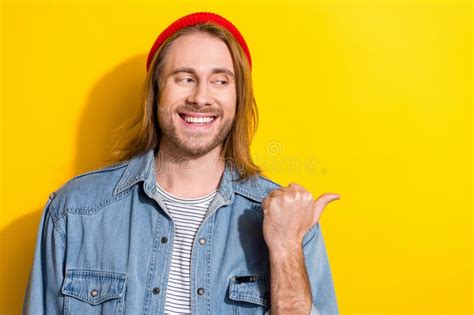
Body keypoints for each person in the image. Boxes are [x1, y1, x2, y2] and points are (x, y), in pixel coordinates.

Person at [23, 12, 340, 315]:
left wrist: (285, 247)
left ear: (239, 97)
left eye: (220, 81)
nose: (201, 97)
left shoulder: (289, 219)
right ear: (156, 91)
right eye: (185, 78)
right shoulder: (75, 211)